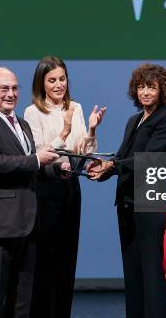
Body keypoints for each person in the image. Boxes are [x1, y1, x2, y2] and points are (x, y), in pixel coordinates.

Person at [0, 67, 59, 318]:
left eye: (15, 88)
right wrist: (37, 160)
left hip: (27, 226)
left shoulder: (24, 125)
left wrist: (59, 169)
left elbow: (31, 169)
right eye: (4, 88)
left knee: (22, 304)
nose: (10, 94)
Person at [87, 63, 166, 318]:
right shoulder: (133, 120)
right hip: (126, 204)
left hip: (148, 206)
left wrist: (112, 165)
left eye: (151, 87)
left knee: (151, 275)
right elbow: (123, 157)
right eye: (141, 87)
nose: (145, 92)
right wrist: (103, 169)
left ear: (162, 90)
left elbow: (149, 159)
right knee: (133, 275)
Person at [23, 56, 106, 317]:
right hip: (45, 188)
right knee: (45, 259)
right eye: (52, 80)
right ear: (41, 83)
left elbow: (85, 151)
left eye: (62, 79)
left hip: (70, 188)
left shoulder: (76, 107)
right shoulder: (32, 112)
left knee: (67, 258)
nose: (59, 84)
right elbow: (39, 153)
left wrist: (91, 131)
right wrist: (65, 130)